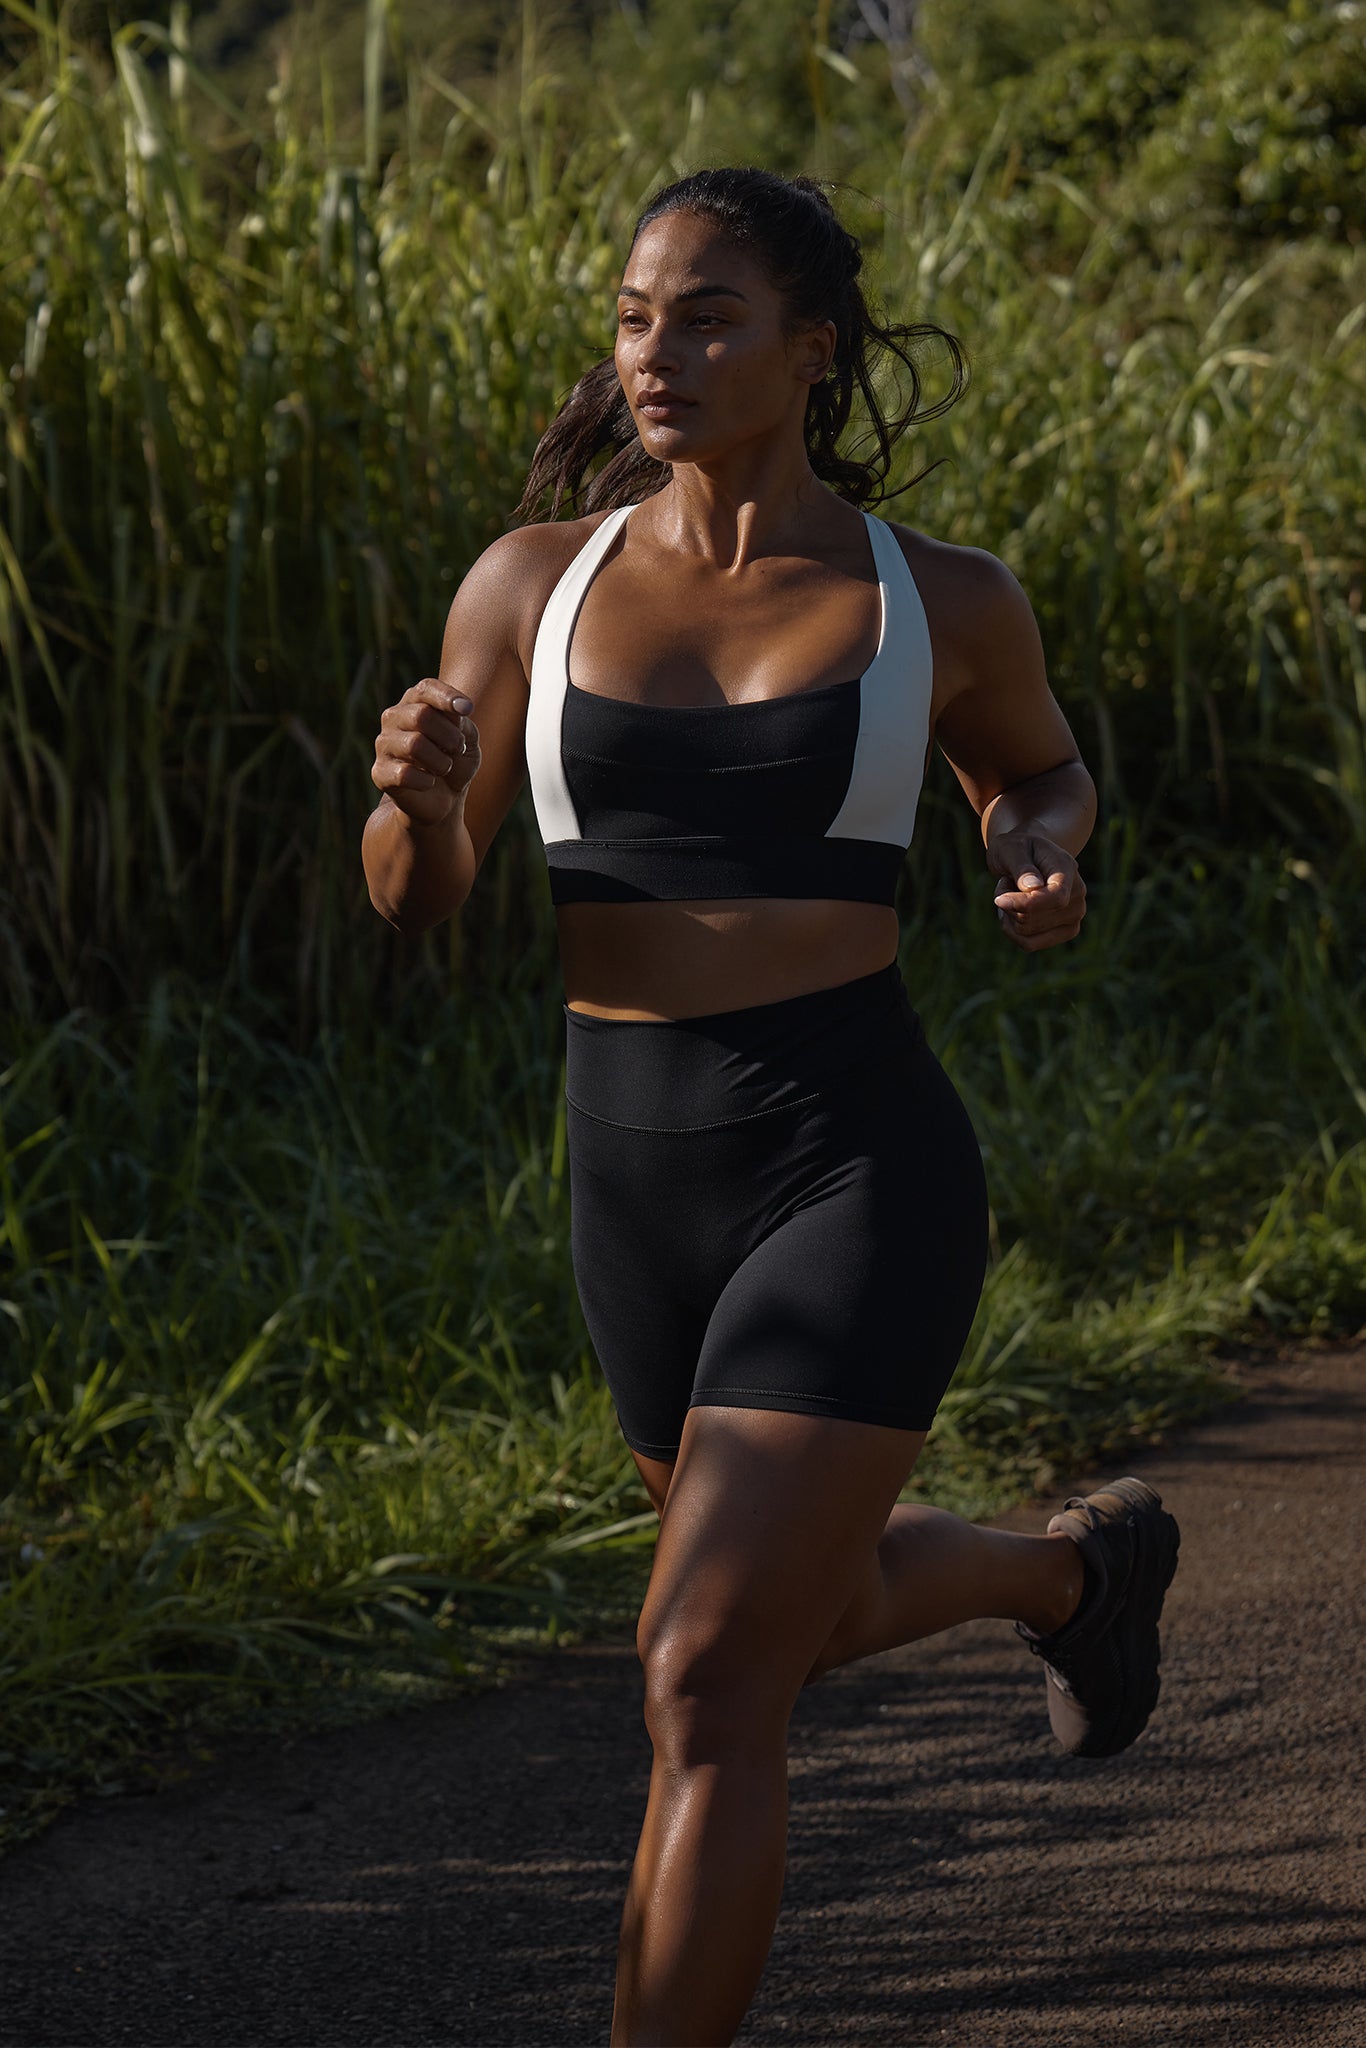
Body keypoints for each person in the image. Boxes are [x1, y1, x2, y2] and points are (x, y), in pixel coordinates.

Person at [361, 167, 1181, 2048]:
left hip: (852, 1157)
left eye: (710, 317)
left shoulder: (937, 599)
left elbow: (1039, 774)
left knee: (707, 1676)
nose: (658, 353)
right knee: (781, 1622)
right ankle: (1072, 1576)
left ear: (810, 355)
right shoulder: (527, 582)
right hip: (630, 1177)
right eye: (638, 315)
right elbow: (424, 900)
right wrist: (411, 798)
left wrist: (1037, 854)